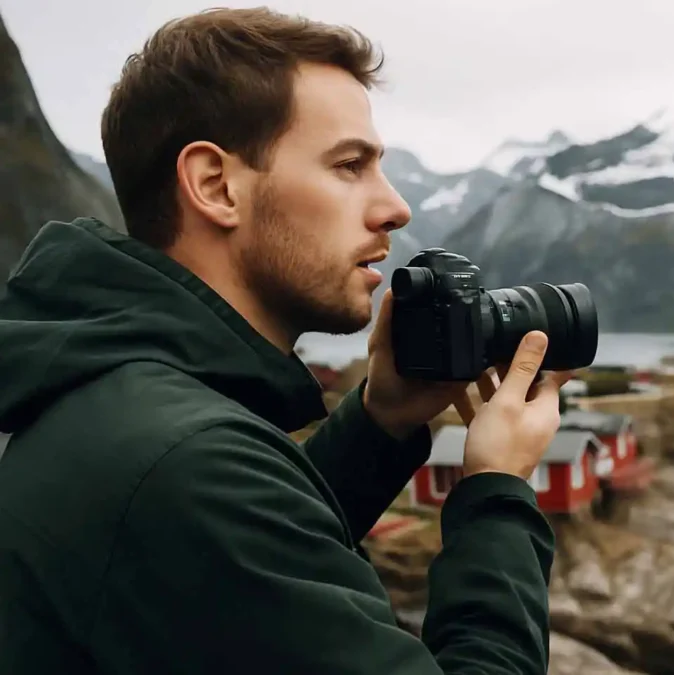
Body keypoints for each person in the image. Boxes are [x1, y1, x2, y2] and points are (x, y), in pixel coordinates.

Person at [0, 8, 572, 675]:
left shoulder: (118, 400)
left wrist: (382, 422)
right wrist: (497, 488)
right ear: (215, 185)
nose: (396, 208)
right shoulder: (185, 466)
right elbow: (223, 509)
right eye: (350, 165)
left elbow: (256, 561)